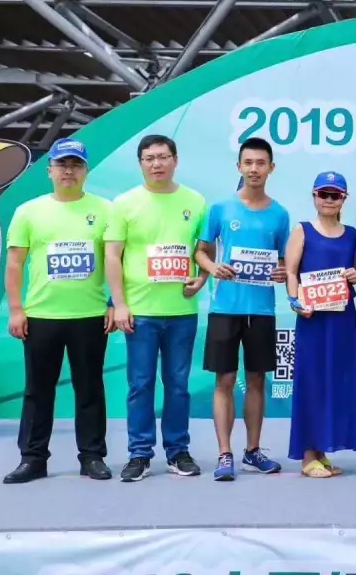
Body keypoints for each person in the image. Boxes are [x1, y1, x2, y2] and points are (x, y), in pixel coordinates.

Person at [2, 138, 114, 484]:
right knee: (38, 392)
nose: (69, 171)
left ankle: (92, 457)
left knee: (90, 389)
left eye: (76, 165)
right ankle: (33, 459)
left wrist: (113, 303)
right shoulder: (28, 211)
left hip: (90, 316)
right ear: (49, 170)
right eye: (62, 164)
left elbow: (118, 261)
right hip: (41, 317)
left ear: (86, 171)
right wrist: (17, 309)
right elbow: (14, 264)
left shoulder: (106, 210)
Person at [105, 134, 208, 482]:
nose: (157, 164)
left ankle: (178, 451)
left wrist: (202, 279)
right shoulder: (124, 203)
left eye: (163, 157)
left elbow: (204, 251)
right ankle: (139, 454)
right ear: (140, 164)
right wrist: (119, 304)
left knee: (178, 385)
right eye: (149, 158)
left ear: (175, 160)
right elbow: (112, 256)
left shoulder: (195, 201)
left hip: (182, 311)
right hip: (140, 312)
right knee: (140, 384)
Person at [194, 137, 290, 481]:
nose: (254, 169)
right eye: (248, 162)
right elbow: (201, 251)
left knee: (256, 380)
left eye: (260, 163)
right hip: (225, 308)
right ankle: (225, 453)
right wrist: (212, 267)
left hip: (262, 310)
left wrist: (282, 272)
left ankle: (253, 451)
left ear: (271, 168)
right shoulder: (220, 209)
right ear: (239, 166)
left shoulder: (280, 214)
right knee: (224, 380)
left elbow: (283, 261)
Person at [284, 171, 356, 477]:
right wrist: (295, 302)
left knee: (336, 381)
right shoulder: (302, 230)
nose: (329, 200)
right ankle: (308, 455)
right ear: (314, 196)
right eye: (323, 194)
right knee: (312, 380)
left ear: (344, 199)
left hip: (342, 318)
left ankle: (322, 450)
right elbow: (291, 271)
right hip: (312, 319)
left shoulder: (352, 234)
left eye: (335, 195)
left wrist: (355, 275)